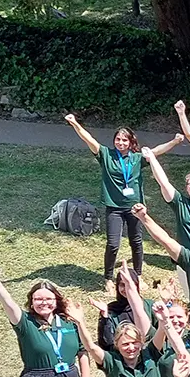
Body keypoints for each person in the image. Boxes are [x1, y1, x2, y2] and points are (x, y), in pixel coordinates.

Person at [67, 115, 155, 280]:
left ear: (130, 142)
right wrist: (74, 123)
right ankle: (108, 278)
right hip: (114, 208)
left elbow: (156, 152)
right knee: (113, 244)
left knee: (136, 242)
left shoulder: (137, 159)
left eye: (124, 140)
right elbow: (89, 139)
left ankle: (138, 275)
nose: (121, 143)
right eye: (118, 139)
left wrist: (175, 142)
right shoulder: (106, 155)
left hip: (135, 208)